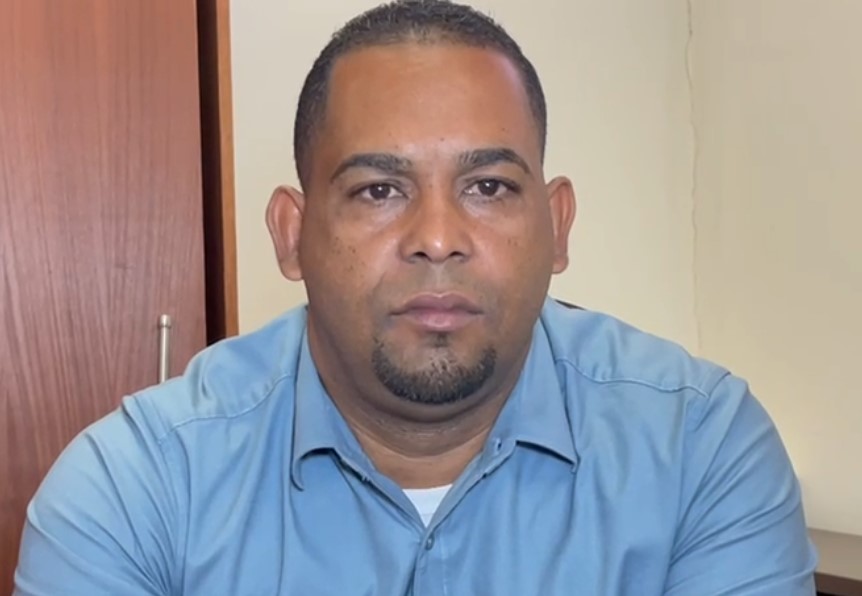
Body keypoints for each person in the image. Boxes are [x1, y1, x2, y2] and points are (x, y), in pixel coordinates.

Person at [15, 1, 817, 594]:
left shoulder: (701, 450)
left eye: (489, 186)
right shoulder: (132, 491)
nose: (437, 237)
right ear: (291, 235)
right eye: (379, 190)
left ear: (557, 225)